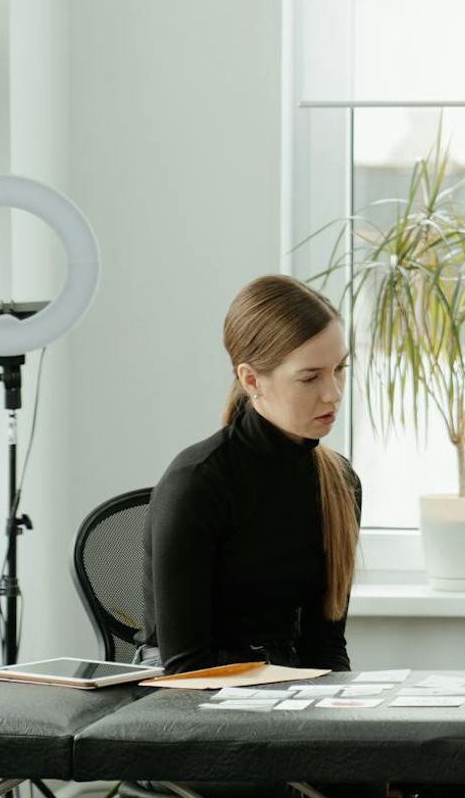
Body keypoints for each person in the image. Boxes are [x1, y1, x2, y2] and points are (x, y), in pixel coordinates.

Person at [144, 274, 361, 675]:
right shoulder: (196, 483)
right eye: (310, 377)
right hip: (193, 695)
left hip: (283, 688)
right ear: (251, 380)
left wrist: (339, 708)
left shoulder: (339, 482)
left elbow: (326, 647)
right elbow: (186, 668)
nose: (333, 392)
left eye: (340, 368)